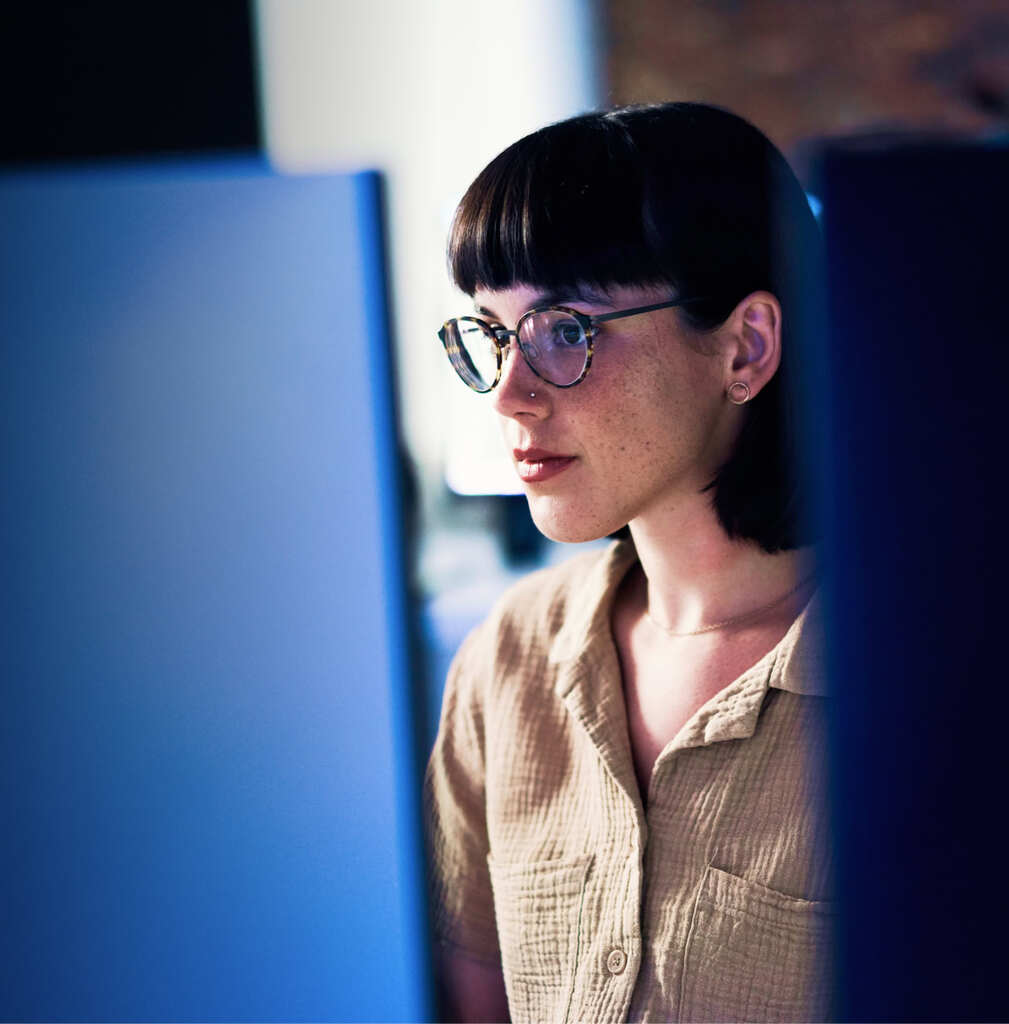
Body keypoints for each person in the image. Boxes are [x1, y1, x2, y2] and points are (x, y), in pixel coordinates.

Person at [424, 102, 832, 1024]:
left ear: (745, 347)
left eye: (565, 330)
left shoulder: (926, 673)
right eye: (493, 334)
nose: (510, 397)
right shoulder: (511, 660)